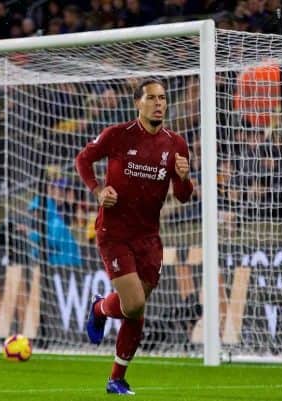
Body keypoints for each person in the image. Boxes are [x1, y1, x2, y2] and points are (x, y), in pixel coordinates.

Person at [75, 79, 193, 395]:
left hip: (149, 237)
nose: (159, 103)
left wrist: (183, 177)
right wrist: (98, 191)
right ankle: (101, 315)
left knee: (134, 308)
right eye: (151, 98)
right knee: (136, 303)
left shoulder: (175, 144)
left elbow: (183, 197)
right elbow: (83, 160)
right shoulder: (117, 136)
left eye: (163, 98)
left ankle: (116, 374)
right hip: (114, 233)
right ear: (137, 103)